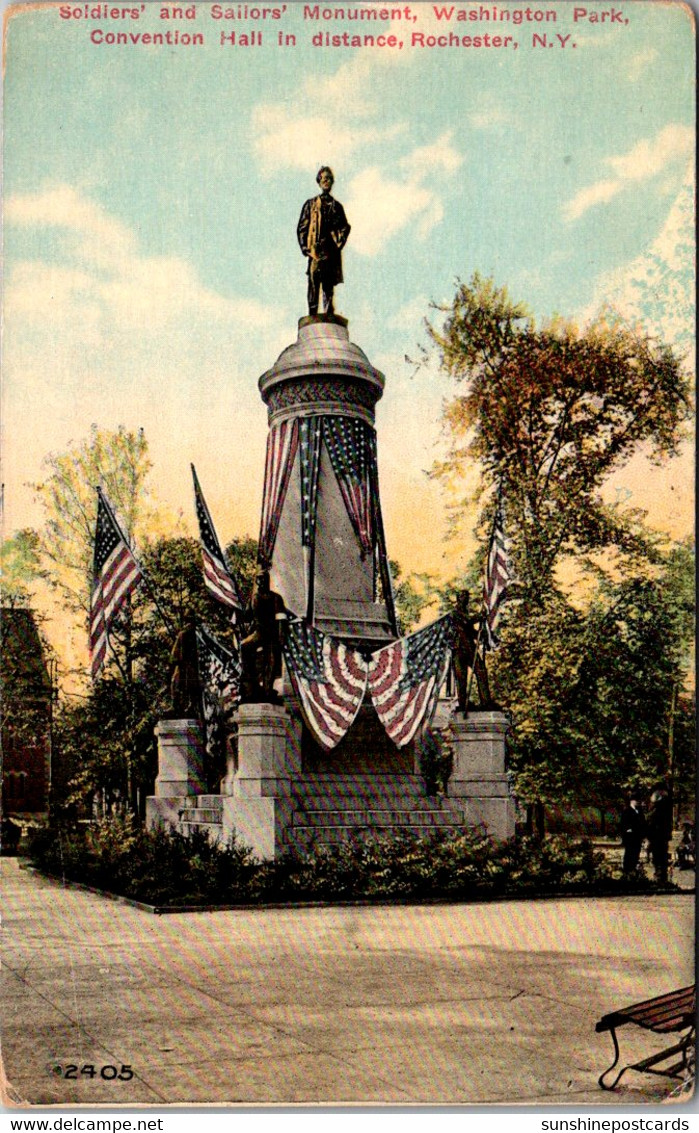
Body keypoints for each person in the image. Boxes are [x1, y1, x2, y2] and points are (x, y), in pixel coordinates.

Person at [297, 167, 351, 317]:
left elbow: (345, 227)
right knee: (313, 284)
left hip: (330, 251)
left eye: (329, 178)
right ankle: (312, 315)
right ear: (319, 182)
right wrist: (305, 248)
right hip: (315, 251)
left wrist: (338, 243)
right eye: (323, 178)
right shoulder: (311, 204)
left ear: (332, 182)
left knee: (328, 286)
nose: (326, 181)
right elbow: (302, 227)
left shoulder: (337, 207)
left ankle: (328, 315)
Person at [240, 568, 287, 704]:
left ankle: (267, 689)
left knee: (271, 663)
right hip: (258, 633)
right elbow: (247, 616)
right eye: (259, 579)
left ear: (268, 581)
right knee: (245, 647)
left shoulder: (275, 598)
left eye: (263, 579)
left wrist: (281, 636)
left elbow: (281, 619)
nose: (261, 582)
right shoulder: (253, 598)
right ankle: (250, 684)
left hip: (271, 634)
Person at [452, 589, 494, 713]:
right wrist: (480, 615)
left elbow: (471, 631)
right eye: (462, 596)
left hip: (470, 648)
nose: (465, 598)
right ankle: (463, 703)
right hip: (458, 649)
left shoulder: (465, 612)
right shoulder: (455, 613)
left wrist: (482, 634)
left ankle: (486, 702)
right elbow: (467, 621)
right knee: (462, 678)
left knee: (481, 670)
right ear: (458, 598)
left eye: (466, 596)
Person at [169, 617, 202, 719]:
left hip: (191, 665)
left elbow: (174, 654)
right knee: (176, 683)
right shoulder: (188, 634)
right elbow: (175, 653)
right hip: (186, 664)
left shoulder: (193, 634)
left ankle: (190, 706)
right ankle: (176, 705)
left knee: (189, 686)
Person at [647, 782, 673, 883]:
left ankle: (660, 876)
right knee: (660, 857)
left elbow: (651, 822)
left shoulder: (657, 807)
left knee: (658, 857)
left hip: (657, 835)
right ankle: (661, 876)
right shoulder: (665, 803)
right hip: (661, 835)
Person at [619, 795, 646, 874]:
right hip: (630, 837)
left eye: (638, 800)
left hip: (637, 836)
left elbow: (643, 823)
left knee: (636, 853)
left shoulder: (639, 811)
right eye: (635, 800)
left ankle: (633, 869)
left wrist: (643, 834)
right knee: (629, 853)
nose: (637, 802)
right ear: (631, 801)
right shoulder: (626, 811)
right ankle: (627, 870)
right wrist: (627, 830)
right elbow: (623, 823)